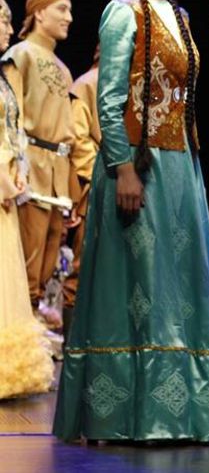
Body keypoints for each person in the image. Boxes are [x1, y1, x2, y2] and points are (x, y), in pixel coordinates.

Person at [53, 0, 209, 442]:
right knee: (140, 287)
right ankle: (130, 415)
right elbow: (108, 99)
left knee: (178, 287)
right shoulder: (122, 13)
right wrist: (124, 167)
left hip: (180, 168)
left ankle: (182, 415)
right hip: (140, 168)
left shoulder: (178, 17)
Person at [1, 0, 78, 324]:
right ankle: (23, 331)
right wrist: (16, 168)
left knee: (49, 260)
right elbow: (10, 116)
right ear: (39, 12)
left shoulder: (63, 69)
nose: (69, 17)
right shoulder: (20, 56)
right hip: (30, 166)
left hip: (58, 173)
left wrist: (72, 188)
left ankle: (35, 324)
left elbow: (69, 131)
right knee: (29, 259)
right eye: (61, 8)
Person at [0, 0, 55, 399]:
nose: (7, 28)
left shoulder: (3, 78)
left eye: (7, 20)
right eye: (1, 20)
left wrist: (17, 172)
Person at [63, 45, 100, 338]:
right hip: (99, 187)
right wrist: (101, 174)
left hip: (131, 189)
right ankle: (72, 343)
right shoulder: (88, 84)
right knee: (82, 266)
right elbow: (78, 138)